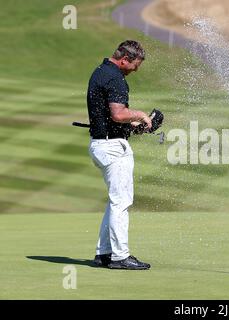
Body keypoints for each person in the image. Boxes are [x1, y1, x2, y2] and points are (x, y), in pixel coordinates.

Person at [87, 40, 152, 270]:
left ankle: (104, 253)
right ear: (124, 59)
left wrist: (132, 125)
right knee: (121, 202)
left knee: (115, 201)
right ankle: (120, 257)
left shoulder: (100, 71)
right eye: (134, 65)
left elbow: (110, 115)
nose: (136, 69)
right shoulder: (115, 78)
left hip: (101, 144)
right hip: (112, 148)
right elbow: (117, 113)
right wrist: (142, 115)